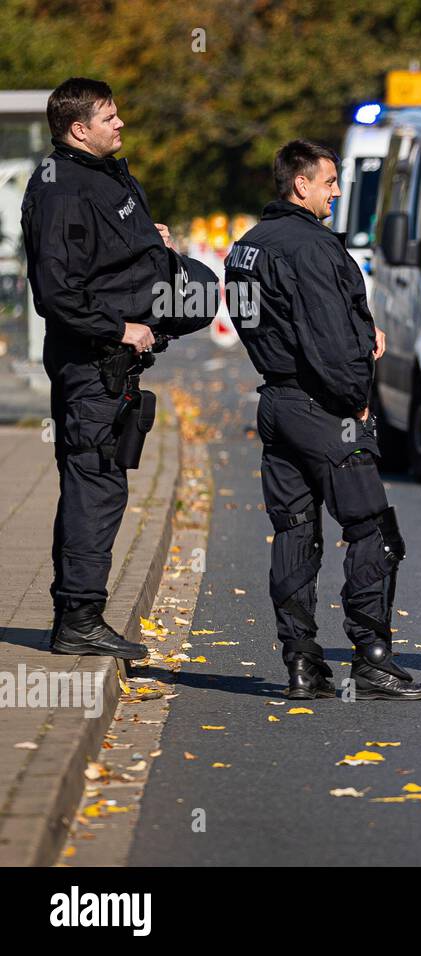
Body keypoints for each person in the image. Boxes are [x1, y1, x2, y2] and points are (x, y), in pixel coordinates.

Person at [223, 140, 421, 701]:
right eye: (330, 182)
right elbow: (327, 339)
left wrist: (359, 338)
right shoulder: (313, 249)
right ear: (301, 186)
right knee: (373, 532)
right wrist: (356, 398)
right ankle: (373, 660)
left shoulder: (247, 247)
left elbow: (265, 326)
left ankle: (301, 663)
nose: (337, 191)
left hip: (278, 404)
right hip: (326, 411)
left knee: (294, 532)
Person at [22, 77, 212, 660]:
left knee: (102, 485)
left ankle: (81, 612)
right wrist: (121, 329)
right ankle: (78, 618)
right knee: (94, 486)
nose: (120, 123)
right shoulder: (61, 190)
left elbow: (102, 252)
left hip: (116, 362)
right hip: (92, 363)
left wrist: (150, 245)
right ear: (79, 129)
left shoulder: (100, 174)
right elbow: (58, 291)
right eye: (109, 117)